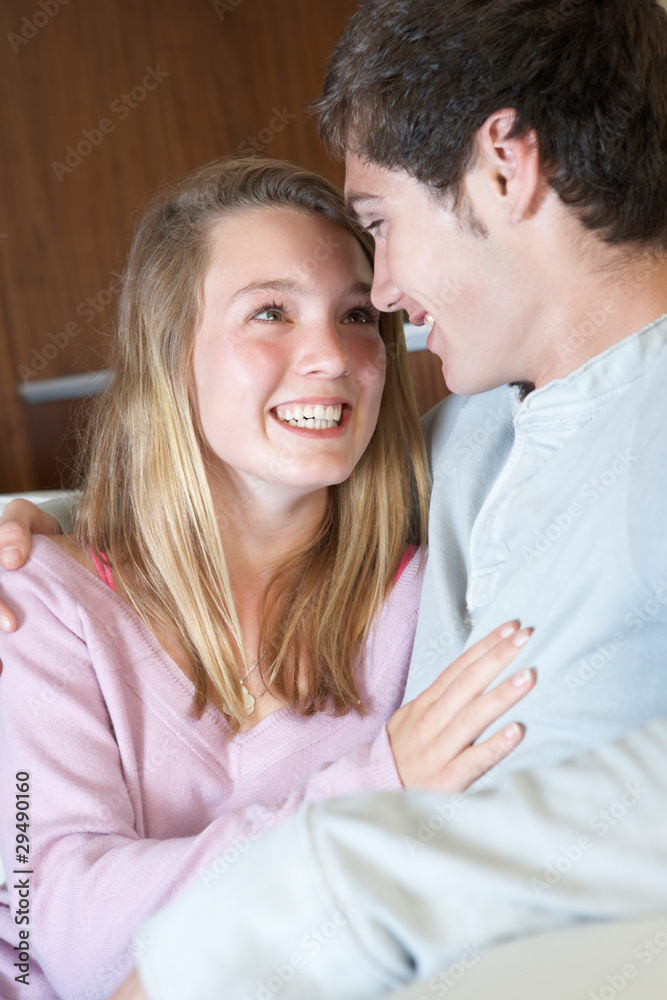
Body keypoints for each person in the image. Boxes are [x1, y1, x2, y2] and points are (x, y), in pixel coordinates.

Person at [86, 0, 667, 996]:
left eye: (379, 225)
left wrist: (308, 899)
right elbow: (258, 495)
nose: (386, 289)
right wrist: (36, 532)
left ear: (502, 165)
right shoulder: (463, 440)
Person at [0, 156, 535, 1000]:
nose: (330, 354)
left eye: (357, 314)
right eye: (271, 312)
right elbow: (64, 935)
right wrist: (371, 794)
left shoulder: (421, 601)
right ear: (173, 352)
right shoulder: (40, 600)